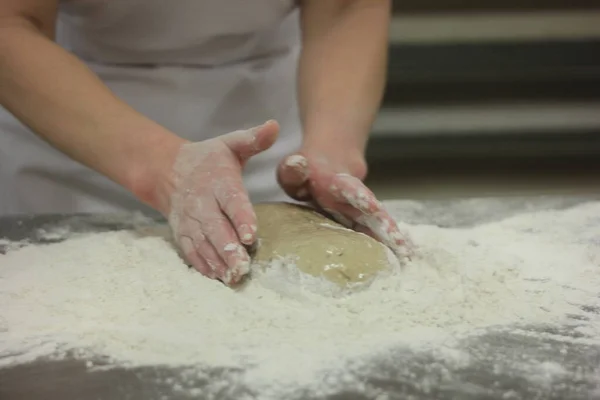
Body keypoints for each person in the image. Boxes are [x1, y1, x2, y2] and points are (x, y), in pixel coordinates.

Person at [0, 0, 410, 285]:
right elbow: (10, 24)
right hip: (76, 134)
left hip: (265, 131)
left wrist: (329, 149)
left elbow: (347, 8)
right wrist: (160, 167)